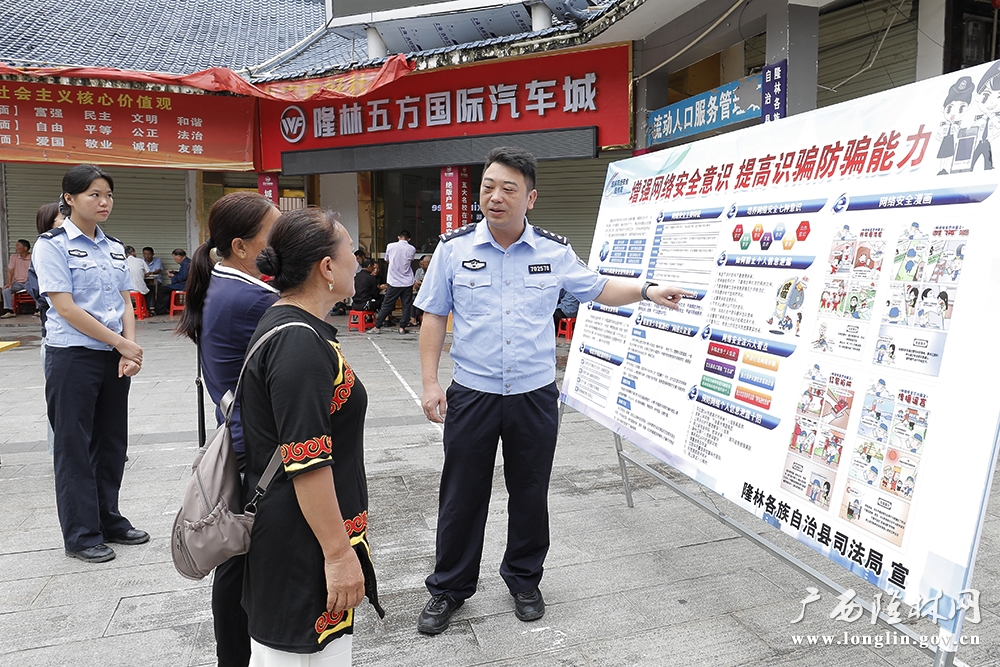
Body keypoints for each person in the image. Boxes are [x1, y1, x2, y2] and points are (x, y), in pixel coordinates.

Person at [413, 147, 692, 634]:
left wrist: (647, 291)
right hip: (473, 394)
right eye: (488, 187)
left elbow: (599, 288)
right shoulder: (453, 249)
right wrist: (431, 381)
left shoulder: (554, 252)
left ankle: (523, 579)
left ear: (531, 198)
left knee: (529, 491)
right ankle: (449, 589)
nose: (495, 198)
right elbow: (434, 315)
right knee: (461, 494)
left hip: (535, 397)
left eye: (509, 189)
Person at [240, 208, 383, 664]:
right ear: (326, 267)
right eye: (351, 254)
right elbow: (307, 460)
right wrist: (339, 555)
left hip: (307, 536)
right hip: (301, 544)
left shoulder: (296, 327)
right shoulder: (297, 342)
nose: (358, 265)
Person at [175, 191, 280, 667]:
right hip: (251, 450)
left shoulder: (226, 282)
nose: (279, 241)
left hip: (238, 439)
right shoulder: (252, 298)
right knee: (239, 562)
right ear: (241, 246)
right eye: (272, 234)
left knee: (238, 560)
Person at [33, 164, 147, 563]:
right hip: (73, 356)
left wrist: (128, 348)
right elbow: (64, 307)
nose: (104, 202)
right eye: (94, 195)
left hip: (114, 355)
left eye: (108, 195)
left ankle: (109, 519)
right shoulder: (51, 245)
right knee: (74, 446)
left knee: (112, 442)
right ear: (70, 198)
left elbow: (124, 301)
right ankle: (81, 534)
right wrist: (120, 342)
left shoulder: (114, 246)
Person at [27, 202, 65, 455]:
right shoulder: (44, 251)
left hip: (95, 343)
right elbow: (43, 296)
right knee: (61, 405)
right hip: (57, 340)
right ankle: (58, 452)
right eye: (61, 218)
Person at [372, 229, 415, 334]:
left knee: (387, 304)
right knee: (406, 305)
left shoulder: (390, 246)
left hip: (394, 281)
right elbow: (411, 260)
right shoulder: (412, 248)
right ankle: (402, 328)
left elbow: (387, 259)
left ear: (398, 237)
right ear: (409, 239)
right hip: (407, 281)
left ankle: (377, 326)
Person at [2, 238, 33, 317]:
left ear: (25, 248)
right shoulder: (13, 258)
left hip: (31, 282)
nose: (16, 247)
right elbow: (10, 271)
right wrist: (9, 283)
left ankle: (38, 310)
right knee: (6, 290)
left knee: (39, 289)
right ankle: (10, 311)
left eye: (18, 246)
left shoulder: (33, 257)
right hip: (18, 283)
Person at [156, 248, 190, 314]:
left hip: (184, 285)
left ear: (179, 256)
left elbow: (183, 277)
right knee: (167, 289)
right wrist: (174, 272)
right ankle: (167, 308)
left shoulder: (185, 264)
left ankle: (160, 311)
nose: (175, 260)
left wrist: (173, 276)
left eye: (175, 258)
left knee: (162, 290)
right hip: (185, 283)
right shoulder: (187, 262)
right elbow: (183, 274)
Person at [142, 246, 163, 312]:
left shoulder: (158, 260)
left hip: (156, 281)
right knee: (145, 288)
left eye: (149, 254)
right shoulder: (141, 261)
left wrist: (149, 273)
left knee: (150, 288)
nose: (147, 256)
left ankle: (151, 307)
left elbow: (158, 270)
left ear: (153, 254)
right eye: (145, 254)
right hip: (144, 281)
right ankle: (145, 307)